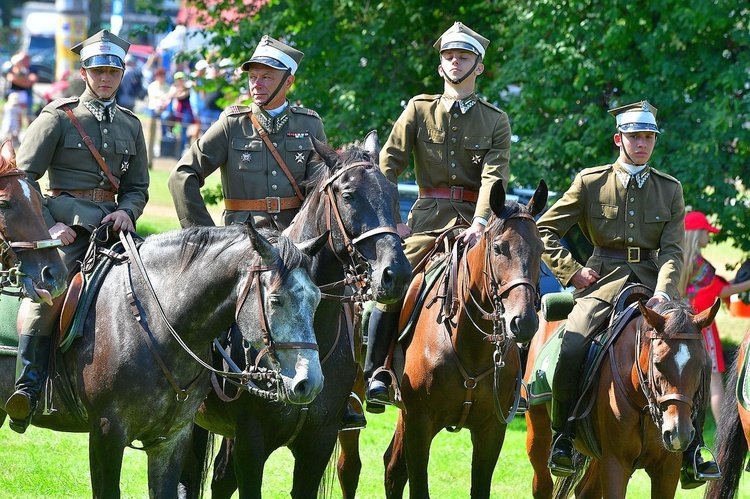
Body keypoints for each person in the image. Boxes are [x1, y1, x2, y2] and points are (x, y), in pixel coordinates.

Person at [536, 100, 719, 486]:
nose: (642, 143)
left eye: (649, 137)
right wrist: (571, 271)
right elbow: (544, 229)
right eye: (635, 136)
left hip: (653, 283)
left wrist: (664, 293)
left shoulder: (669, 189)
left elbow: (672, 250)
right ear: (619, 138)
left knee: (691, 355)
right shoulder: (590, 181)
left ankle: (693, 449)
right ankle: (564, 439)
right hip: (602, 281)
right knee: (571, 346)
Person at [5, 29, 149, 434]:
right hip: (64, 229)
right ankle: (28, 386)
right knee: (49, 293)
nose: (105, 78)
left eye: (112, 71)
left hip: (114, 227)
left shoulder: (132, 124)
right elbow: (23, 180)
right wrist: (49, 224)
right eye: (97, 70)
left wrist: (128, 212)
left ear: (121, 75)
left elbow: (138, 186)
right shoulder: (57, 116)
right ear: (84, 72)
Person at [364, 22, 511, 413]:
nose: (454, 62)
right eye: (448, 56)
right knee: (393, 281)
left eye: (463, 56)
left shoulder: (495, 120)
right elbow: (387, 166)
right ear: (440, 65)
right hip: (426, 223)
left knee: (519, 285)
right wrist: (391, 218)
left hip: (474, 225)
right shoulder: (419, 108)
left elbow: (493, 177)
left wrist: (481, 223)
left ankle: (516, 380)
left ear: (478, 66)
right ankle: (376, 372)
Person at [168, 35, 325, 230]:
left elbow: (321, 190)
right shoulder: (232, 124)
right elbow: (181, 175)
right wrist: (206, 235)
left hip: (294, 238)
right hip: (243, 241)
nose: (256, 84)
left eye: (266, 77)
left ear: (288, 81)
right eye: (252, 77)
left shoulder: (309, 124)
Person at [680, 211, 750, 425]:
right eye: (706, 233)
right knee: (715, 382)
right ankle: (722, 431)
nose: (709, 237)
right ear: (696, 234)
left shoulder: (679, 261)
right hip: (704, 327)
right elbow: (722, 292)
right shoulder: (701, 265)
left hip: (682, 324)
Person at [5, 52, 38, 127]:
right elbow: (11, 78)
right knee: (14, 114)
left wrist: (19, 80)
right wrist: (25, 80)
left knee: (28, 114)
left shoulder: (32, 69)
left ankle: (30, 131)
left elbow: (31, 81)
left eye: (24, 60)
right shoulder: (13, 68)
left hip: (27, 94)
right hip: (13, 94)